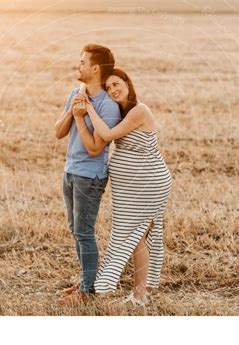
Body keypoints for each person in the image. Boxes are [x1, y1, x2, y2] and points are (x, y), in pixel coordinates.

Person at [72, 68, 172, 306]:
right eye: (108, 88)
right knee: (138, 237)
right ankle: (142, 292)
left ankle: (139, 295)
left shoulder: (139, 110)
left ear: (128, 83)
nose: (113, 90)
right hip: (131, 188)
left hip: (148, 183)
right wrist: (84, 91)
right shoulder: (123, 111)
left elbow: (105, 135)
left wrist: (90, 108)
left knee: (136, 237)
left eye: (117, 84)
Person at [54, 44, 121, 305]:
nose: (78, 65)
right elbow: (58, 132)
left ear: (95, 69)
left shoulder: (108, 106)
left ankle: (88, 290)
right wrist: (74, 108)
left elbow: (95, 149)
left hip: (89, 177)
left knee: (84, 232)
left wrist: (81, 117)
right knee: (75, 229)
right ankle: (85, 281)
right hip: (70, 171)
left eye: (82, 62)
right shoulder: (76, 94)